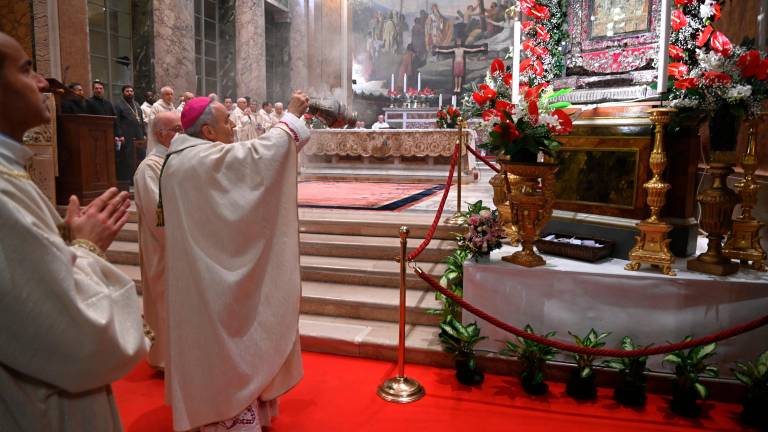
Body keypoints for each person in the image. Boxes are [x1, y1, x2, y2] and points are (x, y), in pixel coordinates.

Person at [0, 32, 145, 430]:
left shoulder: (10, 172)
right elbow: (68, 333)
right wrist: (87, 246)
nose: (44, 83)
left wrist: (63, 239)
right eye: (27, 70)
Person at [159, 93, 310, 431]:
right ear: (209, 133)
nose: (232, 127)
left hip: (200, 274)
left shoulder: (178, 161)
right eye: (226, 122)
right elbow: (258, 158)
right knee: (227, 346)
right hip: (214, 281)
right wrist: (293, 117)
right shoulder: (201, 161)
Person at [133, 111, 181, 370]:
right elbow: (157, 215)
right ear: (161, 133)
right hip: (163, 247)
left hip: (181, 247)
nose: (182, 134)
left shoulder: (175, 161)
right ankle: (165, 358)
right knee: (164, 300)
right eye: (177, 129)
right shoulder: (149, 168)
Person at [114, 84, 146, 190]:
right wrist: (119, 135)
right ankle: (129, 180)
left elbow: (140, 120)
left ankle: (138, 179)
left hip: (138, 134)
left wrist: (144, 133)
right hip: (126, 135)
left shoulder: (136, 104)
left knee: (140, 156)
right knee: (128, 158)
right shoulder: (119, 105)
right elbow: (116, 121)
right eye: (127, 91)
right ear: (123, 93)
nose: (130, 93)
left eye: (131, 91)